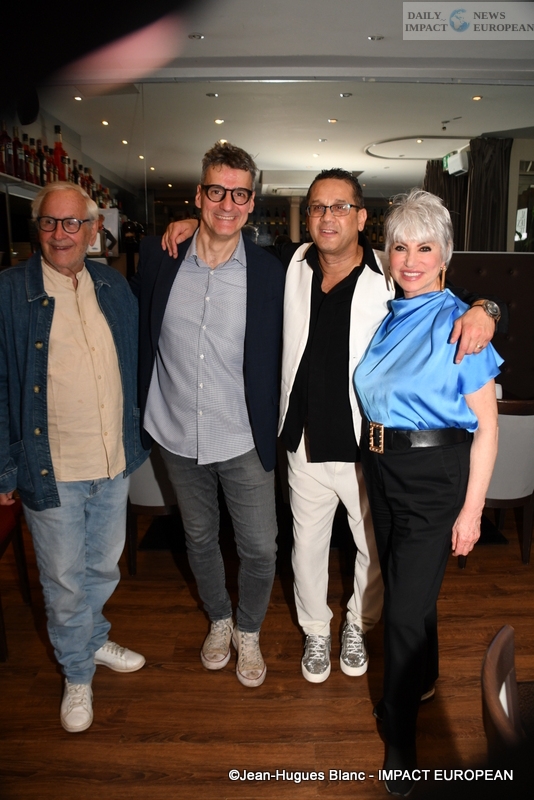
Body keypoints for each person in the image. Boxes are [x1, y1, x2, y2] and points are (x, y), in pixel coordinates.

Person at [161, 168, 500, 685]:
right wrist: (195, 224)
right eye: (318, 206)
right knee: (307, 548)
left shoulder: (391, 271)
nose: (327, 217)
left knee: (371, 550)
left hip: (366, 445)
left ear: (361, 218)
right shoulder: (290, 262)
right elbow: (227, 238)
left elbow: (456, 295)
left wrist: (486, 309)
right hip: (300, 438)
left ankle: (359, 624)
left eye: (341, 207)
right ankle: (316, 629)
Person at [354, 189, 501, 796]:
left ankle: (400, 737)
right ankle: (425, 678)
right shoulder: (392, 313)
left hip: (435, 477)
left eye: (424, 248)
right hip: (383, 471)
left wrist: (473, 512)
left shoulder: (460, 323)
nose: (410, 260)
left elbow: (487, 428)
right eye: (400, 247)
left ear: (444, 256)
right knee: (409, 591)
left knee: (402, 612)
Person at [131, 142, 285, 688]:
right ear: (199, 195)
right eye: (217, 191)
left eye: (239, 194)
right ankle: (220, 619)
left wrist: (482, 305)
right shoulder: (159, 257)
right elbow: (135, 330)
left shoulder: (272, 273)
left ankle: (249, 628)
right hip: (176, 431)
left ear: (252, 202)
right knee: (199, 539)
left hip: (242, 434)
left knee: (260, 547)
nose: (227, 204)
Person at [0, 182, 149, 733]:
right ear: (37, 228)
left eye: (72, 223)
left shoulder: (113, 285)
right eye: (49, 222)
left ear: (92, 231)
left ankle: (92, 639)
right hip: (51, 467)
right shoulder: (10, 291)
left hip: (111, 459)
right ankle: (77, 672)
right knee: (63, 580)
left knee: (101, 567)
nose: (60, 234)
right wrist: (4, 467)